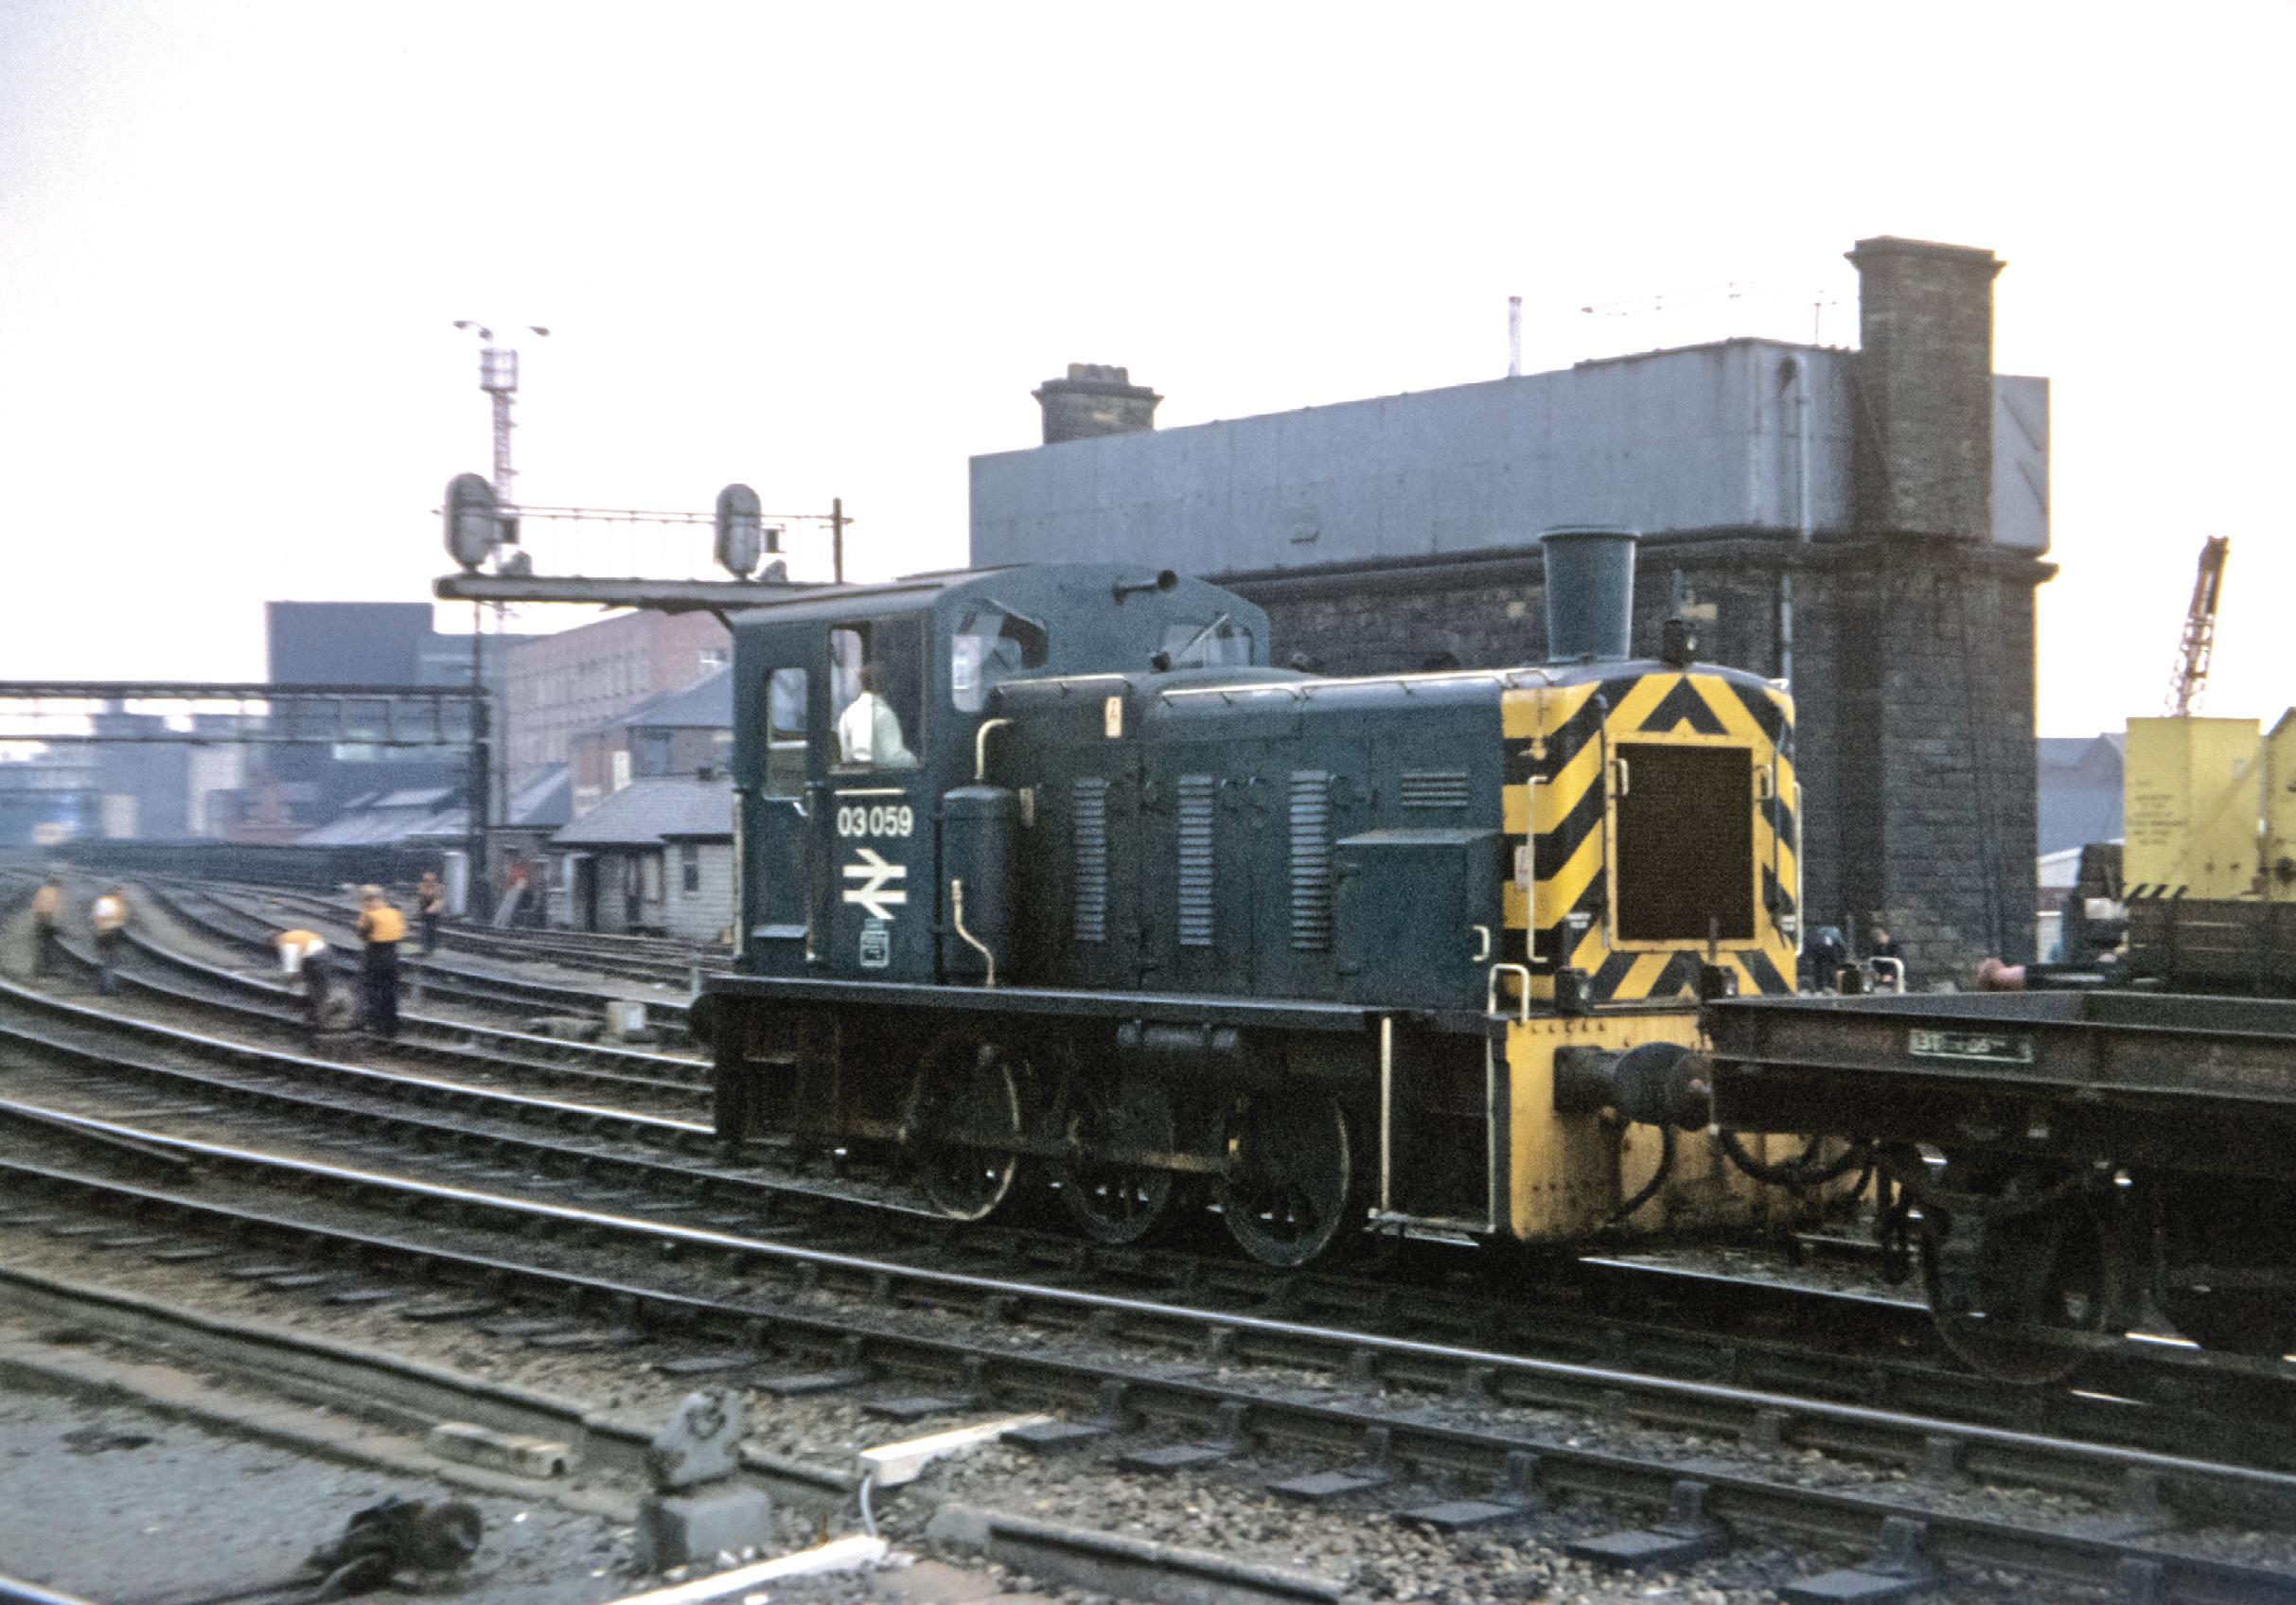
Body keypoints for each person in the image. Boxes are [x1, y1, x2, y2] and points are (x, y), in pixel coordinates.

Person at [836, 662, 916, 768]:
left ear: (862, 683)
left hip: (852, 777)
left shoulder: (848, 713)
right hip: (880, 777)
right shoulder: (883, 714)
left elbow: (846, 757)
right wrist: (913, 760)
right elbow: (894, 757)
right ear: (885, 685)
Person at [354, 885, 405, 1040]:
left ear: (368, 900)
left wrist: (364, 913)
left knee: (373, 992)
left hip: (375, 957)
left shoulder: (369, 916)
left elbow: (362, 934)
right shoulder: (395, 913)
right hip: (393, 957)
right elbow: (401, 933)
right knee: (390, 994)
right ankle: (391, 1028)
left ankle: (376, 1026)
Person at [90, 886, 129, 997]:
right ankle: (108, 988)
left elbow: (122, 919)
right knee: (108, 962)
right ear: (115, 894)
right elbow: (98, 919)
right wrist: (100, 933)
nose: (123, 897)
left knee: (110, 962)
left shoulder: (118, 904)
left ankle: (105, 987)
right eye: (122, 894)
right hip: (106, 934)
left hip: (114, 934)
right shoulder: (105, 902)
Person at [29, 873, 62, 979]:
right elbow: (55, 908)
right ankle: (45, 970)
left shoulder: (42, 890)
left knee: (41, 945)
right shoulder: (55, 892)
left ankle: (37, 969)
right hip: (46, 919)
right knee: (47, 945)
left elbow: (35, 905)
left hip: (39, 919)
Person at [1808, 925, 1846, 994]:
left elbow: (1813, 942)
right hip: (1829, 950)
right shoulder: (1835, 930)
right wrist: (1843, 954)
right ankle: (1831, 986)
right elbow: (1840, 943)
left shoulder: (1819, 930)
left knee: (1818, 967)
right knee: (1832, 966)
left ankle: (1818, 988)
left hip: (1817, 949)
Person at [1869, 924, 1908, 991]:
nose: (1878, 939)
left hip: (1895, 976)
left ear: (1885, 935)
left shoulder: (1895, 946)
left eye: (1880, 936)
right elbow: (1875, 962)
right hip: (1883, 976)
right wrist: (1879, 974)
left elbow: (1901, 961)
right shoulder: (1878, 947)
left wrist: (1891, 975)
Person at [415, 871, 445, 956]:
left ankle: (429, 949)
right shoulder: (421, 887)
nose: (426, 882)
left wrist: (427, 911)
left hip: (433, 914)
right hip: (425, 912)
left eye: (428, 880)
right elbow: (420, 900)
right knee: (425, 930)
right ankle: (425, 948)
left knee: (430, 930)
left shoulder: (438, 888)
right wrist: (421, 912)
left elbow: (438, 902)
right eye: (424, 880)